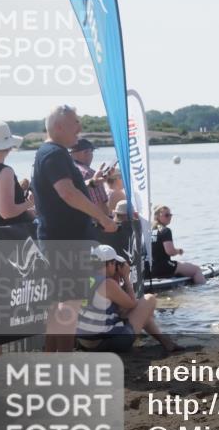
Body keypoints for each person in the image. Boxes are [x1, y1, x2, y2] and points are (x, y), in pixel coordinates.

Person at [32, 104, 118, 352]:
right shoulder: (54, 154)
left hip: (60, 239)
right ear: (59, 127)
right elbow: (67, 193)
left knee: (61, 302)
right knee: (68, 304)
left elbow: (67, 192)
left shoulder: (50, 153)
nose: (80, 129)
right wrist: (103, 218)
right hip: (66, 240)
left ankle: (51, 360)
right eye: (75, 123)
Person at [76, 244, 181, 354]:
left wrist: (116, 277)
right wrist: (126, 277)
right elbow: (132, 304)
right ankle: (166, 343)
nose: (117, 267)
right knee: (149, 299)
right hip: (102, 344)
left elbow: (118, 308)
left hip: (84, 342)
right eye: (115, 264)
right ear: (110, 264)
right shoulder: (107, 283)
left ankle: (166, 342)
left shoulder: (87, 278)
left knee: (141, 314)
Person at [150, 205, 206, 284]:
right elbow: (170, 251)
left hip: (149, 268)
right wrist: (178, 251)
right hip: (163, 266)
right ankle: (204, 291)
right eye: (166, 215)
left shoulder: (149, 230)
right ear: (158, 216)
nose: (169, 217)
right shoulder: (165, 230)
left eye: (170, 215)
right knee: (196, 270)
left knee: (180, 264)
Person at [69, 139, 110, 217]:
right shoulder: (90, 174)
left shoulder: (65, 171)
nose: (90, 154)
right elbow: (100, 205)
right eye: (90, 151)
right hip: (93, 224)